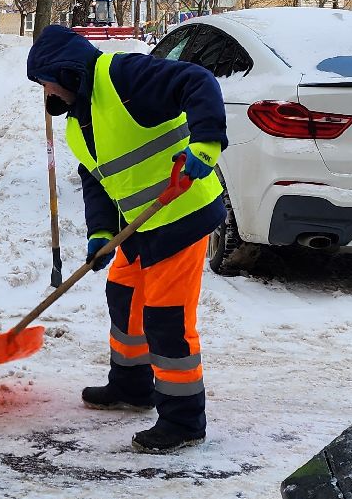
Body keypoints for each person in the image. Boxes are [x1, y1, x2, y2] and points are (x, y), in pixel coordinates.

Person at [25, 25, 226, 455]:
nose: (47, 92)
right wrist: (101, 231)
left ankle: (183, 419)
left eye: (47, 81)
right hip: (141, 225)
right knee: (123, 294)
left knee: (166, 317)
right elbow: (97, 180)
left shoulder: (122, 75)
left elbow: (197, 81)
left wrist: (205, 144)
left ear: (67, 71)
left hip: (182, 213)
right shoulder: (81, 123)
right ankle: (132, 386)